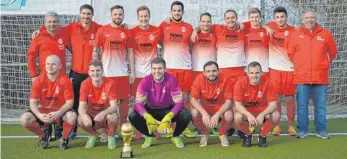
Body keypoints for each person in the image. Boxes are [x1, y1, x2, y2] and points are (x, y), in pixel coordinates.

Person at [286, 10, 338, 139]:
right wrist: (301, 65)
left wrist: (323, 64)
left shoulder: (326, 34)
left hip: (320, 77)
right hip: (302, 77)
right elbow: (290, 53)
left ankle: (321, 130)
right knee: (302, 106)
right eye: (307, 17)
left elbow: (332, 52)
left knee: (320, 106)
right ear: (303, 19)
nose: (309, 19)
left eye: (312, 17)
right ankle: (302, 130)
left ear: (316, 18)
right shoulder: (295, 34)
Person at [128, 57, 192, 148]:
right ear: (151, 69)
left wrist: (169, 116)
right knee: (132, 115)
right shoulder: (145, 81)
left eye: (160, 68)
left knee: (186, 114)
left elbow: (180, 102)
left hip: (168, 109)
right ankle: (150, 136)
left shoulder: (171, 80)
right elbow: (138, 103)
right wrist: (147, 116)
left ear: (165, 69)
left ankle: (175, 136)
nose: (157, 71)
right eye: (154, 68)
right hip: (151, 110)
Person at [27, 11, 69, 141]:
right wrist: (34, 75)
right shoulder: (38, 37)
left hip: (61, 78)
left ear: (59, 23)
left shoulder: (64, 34)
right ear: (44, 23)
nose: (52, 24)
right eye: (49, 22)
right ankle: (46, 128)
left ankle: (58, 127)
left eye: (55, 22)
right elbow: (31, 56)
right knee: (45, 103)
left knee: (60, 102)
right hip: (44, 78)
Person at [20, 55, 76, 150]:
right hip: (43, 112)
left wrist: (57, 113)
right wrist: (39, 115)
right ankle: (43, 136)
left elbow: (70, 102)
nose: (50, 66)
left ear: (60, 66)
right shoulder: (39, 80)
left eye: (53, 64)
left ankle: (64, 138)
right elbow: (33, 102)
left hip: (59, 112)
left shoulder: (65, 81)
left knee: (72, 116)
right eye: (48, 64)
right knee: (24, 119)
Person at [93, 5, 134, 133]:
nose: (118, 17)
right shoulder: (102, 30)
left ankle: (123, 130)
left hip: (122, 74)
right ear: (111, 15)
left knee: (123, 104)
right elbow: (95, 50)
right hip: (107, 75)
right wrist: (95, 72)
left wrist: (131, 71)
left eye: (120, 14)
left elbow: (131, 52)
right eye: (115, 14)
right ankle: (105, 133)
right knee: (105, 104)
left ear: (123, 15)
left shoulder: (127, 32)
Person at [159, 0, 196, 138]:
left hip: (185, 67)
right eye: (174, 11)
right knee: (169, 98)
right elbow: (158, 41)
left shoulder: (189, 27)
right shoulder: (164, 25)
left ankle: (183, 125)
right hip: (170, 67)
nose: (176, 13)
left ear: (182, 12)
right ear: (171, 12)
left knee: (185, 97)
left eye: (179, 10)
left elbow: (191, 47)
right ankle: (168, 125)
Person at [263, 7, 297, 136]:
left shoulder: (293, 30)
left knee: (289, 98)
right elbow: (254, 23)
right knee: (275, 98)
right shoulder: (270, 26)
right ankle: (276, 126)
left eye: (282, 17)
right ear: (274, 18)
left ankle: (290, 125)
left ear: (286, 17)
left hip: (289, 69)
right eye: (277, 17)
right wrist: (265, 27)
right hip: (275, 69)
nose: (280, 19)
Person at [130, 5, 162, 139]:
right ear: (138, 18)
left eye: (146, 16)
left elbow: (166, 44)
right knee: (138, 103)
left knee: (152, 103)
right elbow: (130, 52)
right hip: (138, 73)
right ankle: (140, 129)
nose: (144, 19)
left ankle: (154, 129)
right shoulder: (132, 32)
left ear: (149, 17)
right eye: (141, 16)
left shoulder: (157, 31)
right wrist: (132, 71)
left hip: (152, 75)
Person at [234, 61, 280, 148]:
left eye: (257, 73)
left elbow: (273, 105)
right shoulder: (240, 83)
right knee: (237, 117)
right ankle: (248, 135)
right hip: (247, 110)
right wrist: (248, 115)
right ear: (247, 73)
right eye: (251, 73)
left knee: (276, 115)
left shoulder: (268, 82)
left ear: (262, 73)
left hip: (263, 110)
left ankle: (262, 136)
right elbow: (237, 105)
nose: (254, 75)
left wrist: (262, 114)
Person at [78, 60, 119, 149]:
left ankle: (111, 136)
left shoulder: (110, 83)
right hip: (92, 115)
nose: (95, 73)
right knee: (80, 119)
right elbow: (81, 107)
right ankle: (93, 134)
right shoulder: (85, 84)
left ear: (102, 71)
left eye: (98, 70)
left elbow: (114, 106)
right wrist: (84, 116)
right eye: (92, 71)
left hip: (106, 115)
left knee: (114, 117)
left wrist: (103, 113)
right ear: (89, 72)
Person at [190, 61, 233, 147]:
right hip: (205, 108)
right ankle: (205, 134)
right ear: (204, 73)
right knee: (193, 113)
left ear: (218, 71)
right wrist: (204, 113)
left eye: (214, 71)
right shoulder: (199, 79)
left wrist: (217, 114)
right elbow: (193, 99)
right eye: (208, 71)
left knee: (229, 115)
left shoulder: (226, 79)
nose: (211, 74)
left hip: (220, 108)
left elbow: (229, 102)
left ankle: (222, 134)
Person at [243, 8, 270, 76]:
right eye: (252, 17)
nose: (254, 19)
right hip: (249, 69)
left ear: (260, 17)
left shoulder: (267, 31)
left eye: (256, 17)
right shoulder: (244, 31)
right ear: (249, 18)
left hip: (264, 68)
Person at [191, 13, 217, 79]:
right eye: (203, 21)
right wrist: (195, 30)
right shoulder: (193, 35)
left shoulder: (215, 35)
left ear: (211, 23)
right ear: (199, 22)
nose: (206, 23)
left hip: (211, 72)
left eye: (208, 21)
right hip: (196, 70)